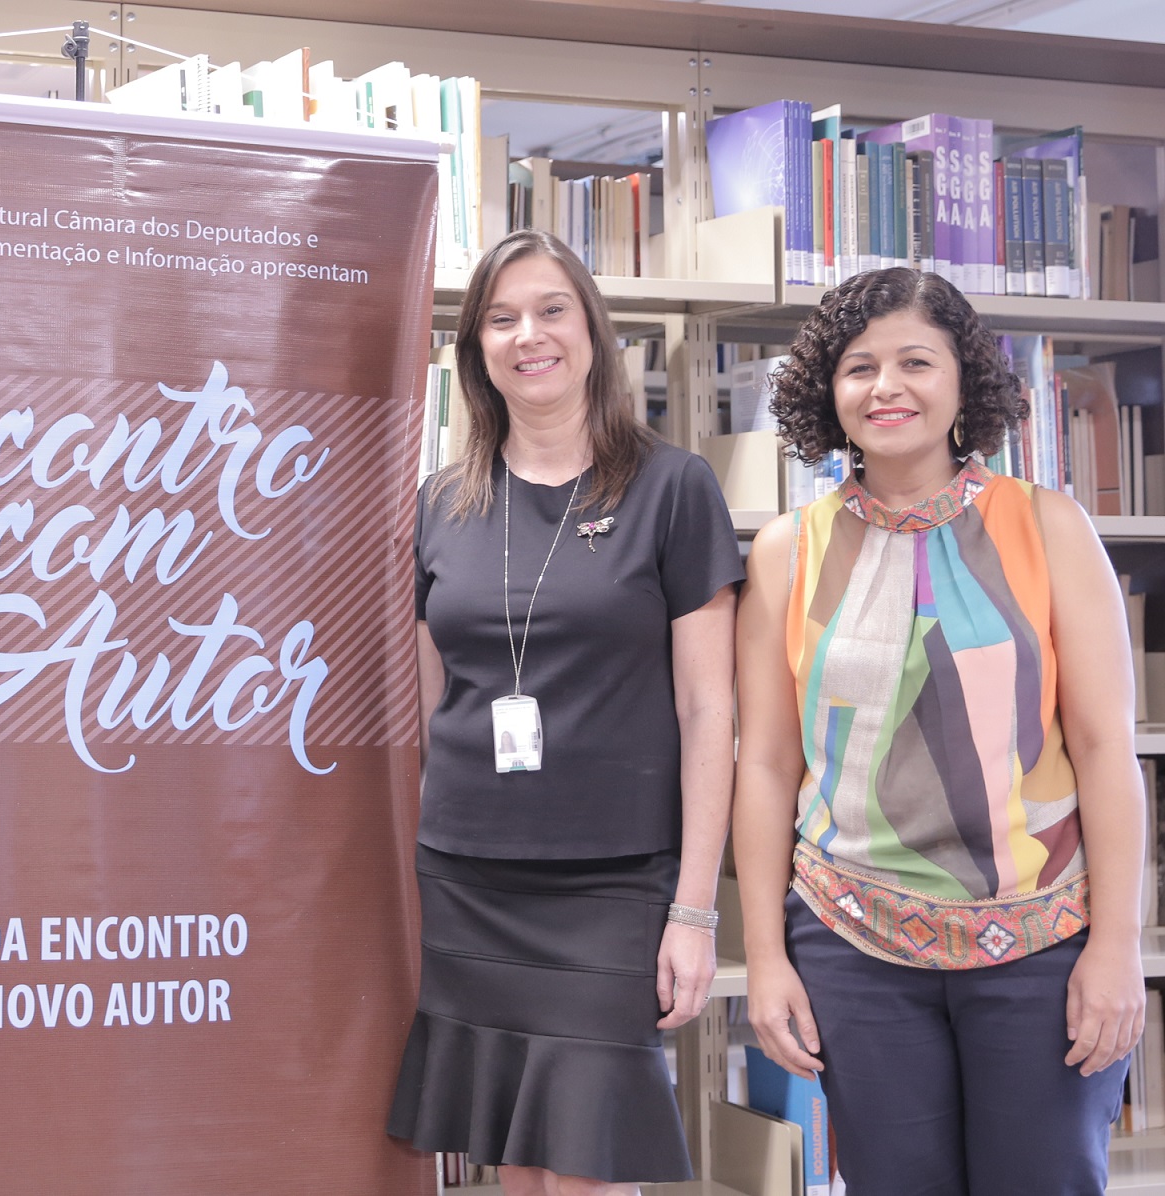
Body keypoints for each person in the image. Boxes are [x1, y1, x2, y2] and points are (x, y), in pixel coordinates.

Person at [733, 267, 1145, 1195]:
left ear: (964, 382)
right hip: (850, 943)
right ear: (826, 394)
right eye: (859, 367)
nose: (887, 388)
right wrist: (765, 958)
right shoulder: (785, 551)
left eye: (916, 362)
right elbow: (763, 766)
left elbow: (1106, 749)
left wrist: (1117, 944)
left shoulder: (1049, 526)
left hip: (1042, 945)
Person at [387, 229, 741, 1195]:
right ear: (476, 352)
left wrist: (696, 910)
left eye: (550, 310)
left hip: (614, 881)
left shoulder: (674, 489)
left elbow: (711, 712)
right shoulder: (440, 503)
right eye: (500, 319)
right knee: (519, 1158)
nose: (526, 335)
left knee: (590, 1158)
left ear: (592, 330)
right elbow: (429, 702)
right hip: (468, 873)